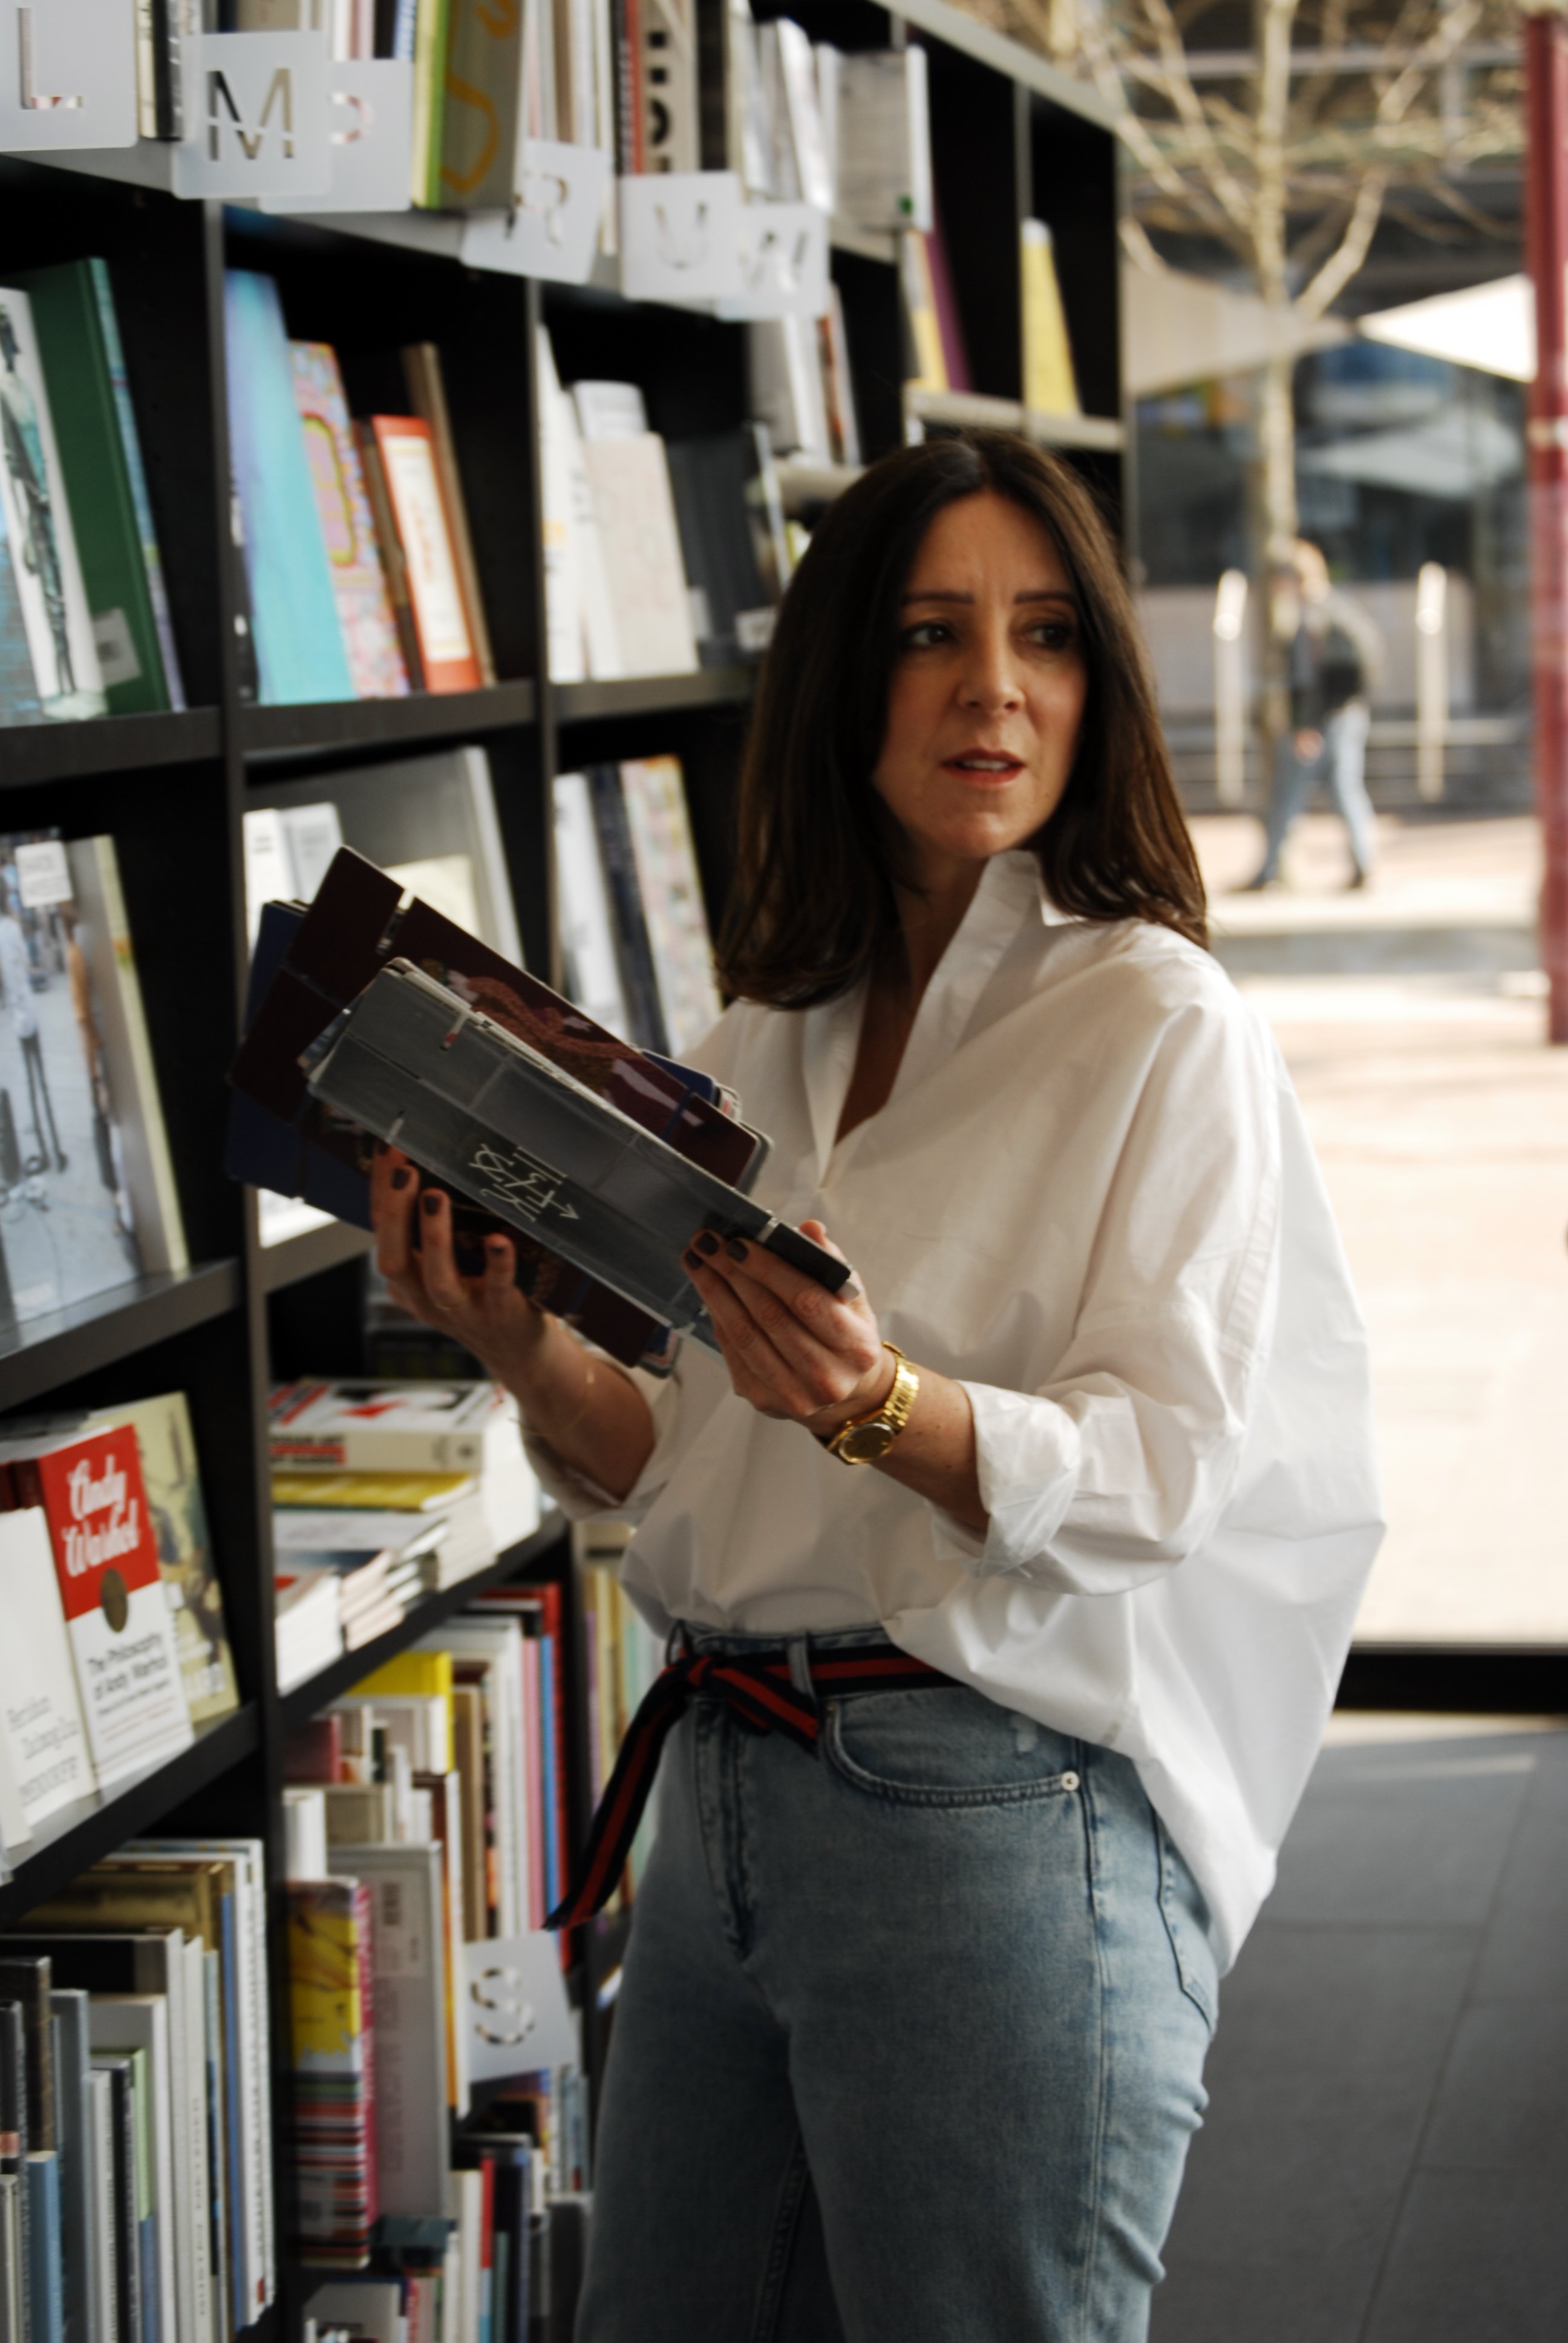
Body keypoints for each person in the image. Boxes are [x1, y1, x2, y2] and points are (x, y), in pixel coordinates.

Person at [370, 432, 1383, 2342]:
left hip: (983, 1805)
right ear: (845, 677)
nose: (994, 686)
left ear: (1099, 683)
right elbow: (686, 1475)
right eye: (931, 633)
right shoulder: (765, 1038)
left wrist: (880, 1404)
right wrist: (516, 1341)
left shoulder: (1158, 1022)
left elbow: (1164, 1471)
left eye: (1045, 635)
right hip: (722, 1796)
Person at [1247, 538, 1379, 890]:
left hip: (1324, 720)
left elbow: (1314, 679)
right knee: (1344, 790)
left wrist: (1307, 723)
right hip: (1342, 715)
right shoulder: (1332, 609)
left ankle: (1270, 869)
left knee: (1291, 791)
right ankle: (1363, 862)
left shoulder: (1315, 617)